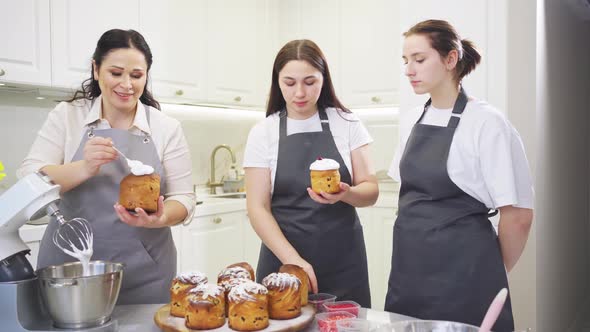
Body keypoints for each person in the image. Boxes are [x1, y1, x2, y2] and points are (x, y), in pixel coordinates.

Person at [17, 29, 195, 304]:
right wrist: (84, 167)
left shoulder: (166, 127)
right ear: (96, 68)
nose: (126, 84)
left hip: (146, 273)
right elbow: (29, 178)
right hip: (71, 271)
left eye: (136, 76)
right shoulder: (68, 116)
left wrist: (159, 218)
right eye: (116, 73)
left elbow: (184, 198)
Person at [384, 19, 534, 331]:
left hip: (466, 277)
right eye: (406, 60)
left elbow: (518, 216)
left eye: (419, 59)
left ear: (451, 59)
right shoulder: (413, 120)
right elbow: (411, 200)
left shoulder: (487, 123)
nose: (409, 70)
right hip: (408, 275)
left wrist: (487, 272)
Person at [243, 39, 378, 307]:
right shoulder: (263, 132)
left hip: (343, 260)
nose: (300, 93)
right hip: (283, 262)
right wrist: (292, 260)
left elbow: (371, 190)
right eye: (290, 83)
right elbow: (257, 208)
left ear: (323, 79)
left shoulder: (347, 123)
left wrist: (347, 193)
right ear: (277, 82)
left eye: (310, 81)